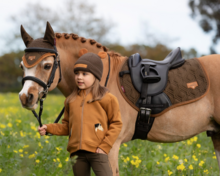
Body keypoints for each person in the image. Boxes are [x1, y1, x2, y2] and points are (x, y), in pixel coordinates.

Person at [38, 52, 123, 176]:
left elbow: (116, 124)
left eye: (84, 74)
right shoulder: (70, 100)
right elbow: (67, 127)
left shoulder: (107, 98)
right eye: (77, 73)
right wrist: (49, 128)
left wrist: (105, 146)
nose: (79, 77)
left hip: (97, 152)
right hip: (77, 154)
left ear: (95, 76)